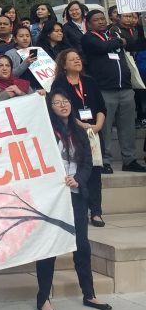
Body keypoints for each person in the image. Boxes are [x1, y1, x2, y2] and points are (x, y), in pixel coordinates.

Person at [35, 91, 112, 310]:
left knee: (82, 245)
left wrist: (78, 178)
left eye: (66, 101)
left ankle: (89, 294)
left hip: (76, 194)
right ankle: (43, 298)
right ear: (50, 107)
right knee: (49, 246)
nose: (63, 105)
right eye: (57, 102)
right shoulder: (45, 130)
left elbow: (88, 163)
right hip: (52, 197)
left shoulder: (80, 131)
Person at [81, 9, 144, 172]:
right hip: (104, 89)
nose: (101, 21)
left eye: (103, 19)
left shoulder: (112, 34)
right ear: (89, 24)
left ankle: (129, 160)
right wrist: (120, 42)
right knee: (105, 128)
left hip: (125, 88)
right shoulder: (88, 38)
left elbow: (133, 43)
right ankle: (105, 161)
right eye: (96, 20)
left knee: (127, 127)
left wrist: (138, 26)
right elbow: (103, 47)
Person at [52, 48, 107, 227]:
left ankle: (96, 212)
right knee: (79, 169)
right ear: (64, 65)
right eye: (72, 59)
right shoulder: (59, 83)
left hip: (94, 132)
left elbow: (101, 107)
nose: (77, 61)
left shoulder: (89, 81)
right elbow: (61, 108)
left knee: (95, 172)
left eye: (78, 58)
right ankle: (78, 210)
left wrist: (97, 126)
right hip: (74, 132)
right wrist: (82, 126)